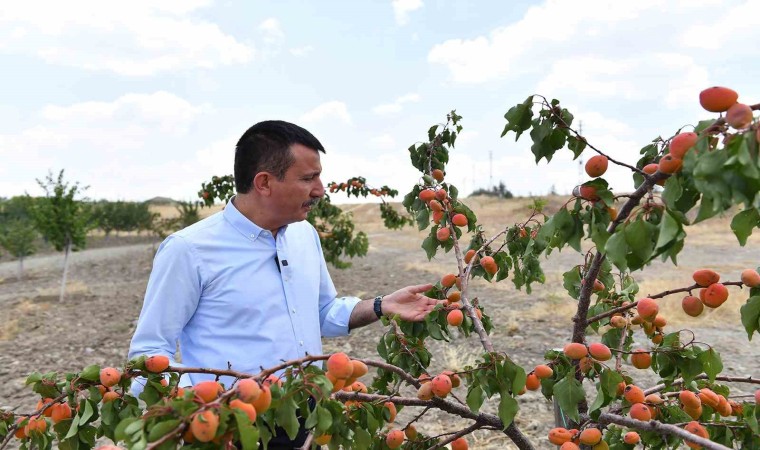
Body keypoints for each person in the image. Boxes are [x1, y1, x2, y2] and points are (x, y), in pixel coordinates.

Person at [128, 120, 440, 448]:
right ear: (264, 182)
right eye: (308, 178)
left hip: (307, 415)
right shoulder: (189, 250)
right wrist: (193, 416)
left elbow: (323, 311)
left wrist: (380, 306)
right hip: (235, 427)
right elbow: (149, 352)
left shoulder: (303, 235)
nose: (320, 190)